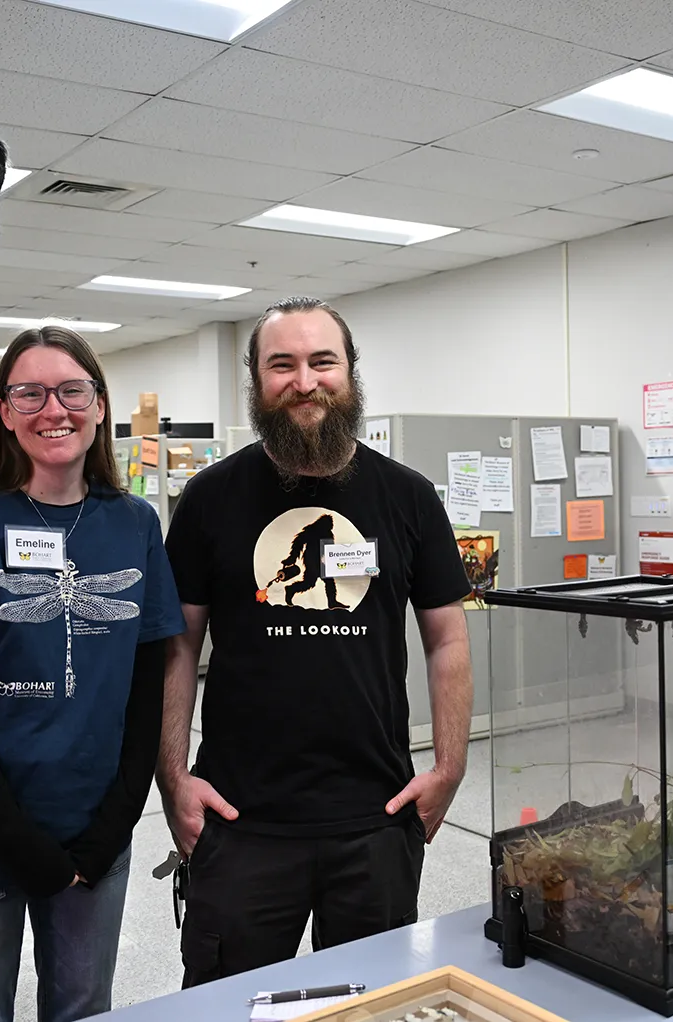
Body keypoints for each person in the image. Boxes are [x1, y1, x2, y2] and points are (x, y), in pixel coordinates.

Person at [157, 296, 474, 986]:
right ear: (256, 381)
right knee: (225, 1004)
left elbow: (447, 637)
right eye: (283, 364)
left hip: (377, 817)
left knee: (374, 1003)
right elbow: (177, 646)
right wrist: (173, 777)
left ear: (350, 372)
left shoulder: (409, 497)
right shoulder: (209, 499)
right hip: (240, 820)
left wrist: (449, 767)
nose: (305, 381)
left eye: (322, 361)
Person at [0, 326, 185, 1022]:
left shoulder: (134, 522)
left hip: (94, 835)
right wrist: (17, 840)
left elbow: (150, 682)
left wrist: (116, 822)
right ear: (3, 411)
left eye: (71, 390)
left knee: (84, 1010)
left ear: (100, 404)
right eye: (29, 392)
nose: (52, 408)